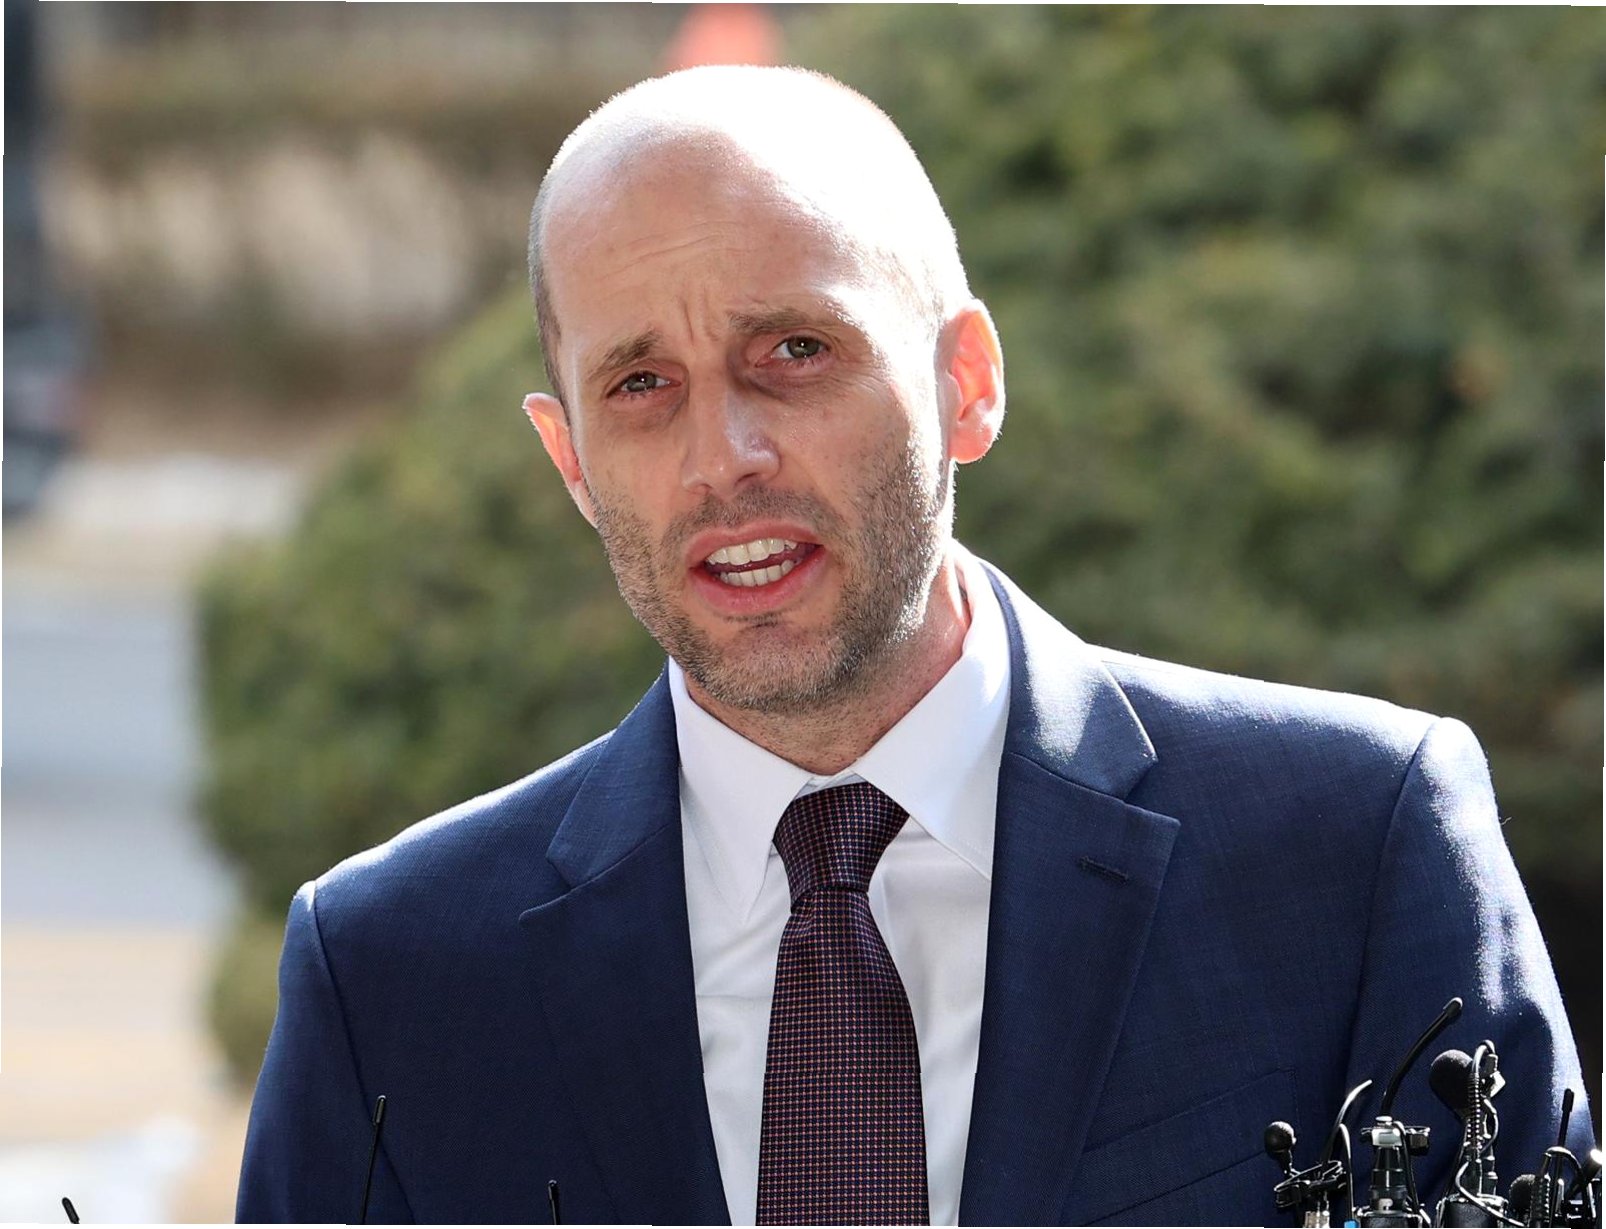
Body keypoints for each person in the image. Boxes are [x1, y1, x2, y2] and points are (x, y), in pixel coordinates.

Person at [236, 66, 1591, 1226]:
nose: (725, 456)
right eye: (640, 384)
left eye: (794, 349)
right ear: (571, 460)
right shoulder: (390, 977)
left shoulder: (1353, 851)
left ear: (967, 382)